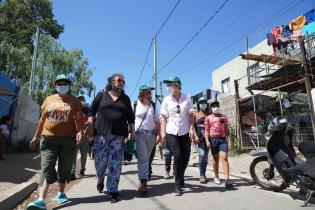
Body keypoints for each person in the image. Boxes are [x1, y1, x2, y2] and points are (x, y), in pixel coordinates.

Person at [27, 74, 83, 210]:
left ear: (69, 86)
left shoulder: (75, 101)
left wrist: (80, 131)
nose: (62, 85)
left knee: (64, 168)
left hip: (68, 139)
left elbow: (79, 118)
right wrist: (36, 136)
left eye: (65, 83)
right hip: (48, 139)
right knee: (47, 167)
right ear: (55, 86)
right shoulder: (48, 99)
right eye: (59, 83)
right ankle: (40, 200)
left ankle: (61, 193)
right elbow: (41, 120)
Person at [87, 73, 135, 202]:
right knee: (100, 161)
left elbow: (131, 117)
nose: (121, 82)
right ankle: (100, 178)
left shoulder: (126, 99)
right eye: (119, 80)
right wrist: (90, 125)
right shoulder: (102, 94)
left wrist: (132, 132)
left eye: (123, 81)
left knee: (115, 163)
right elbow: (91, 111)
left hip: (118, 135)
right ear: (111, 82)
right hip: (101, 134)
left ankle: (113, 189)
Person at [160, 76, 196, 196]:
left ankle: (180, 174)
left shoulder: (187, 97)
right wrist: (162, 132)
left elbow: (191, 114)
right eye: (167, 85)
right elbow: (163, 117)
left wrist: (192, 128)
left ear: (177, 85)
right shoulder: (166, 100)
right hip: (171, 131)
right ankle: (178, 185)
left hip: (185, 131)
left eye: (169, 84)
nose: (167, 87)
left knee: (186, 156)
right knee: (178, 155)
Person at [134, 84, 160, 194]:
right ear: (142, 93)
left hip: (151, 135)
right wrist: (130, 133)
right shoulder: (135, 104)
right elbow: (130, 120)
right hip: (139, 135)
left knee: (147, 157)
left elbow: (157, 121)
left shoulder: (153, 105)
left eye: (150, 92)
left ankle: (142, 177)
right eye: (148, 92)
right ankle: (143, 182)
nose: (150, 94)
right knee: (143, 158)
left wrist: (158, 134)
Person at [204, 101, 233, 188]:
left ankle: (227, 179)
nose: (216, 107)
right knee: (215, 160)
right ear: (211, 109)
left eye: (217, 105)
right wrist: (207, 141)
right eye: (214, 106)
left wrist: (229, 141)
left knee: (224, 158)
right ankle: (216, 176)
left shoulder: (223, 117)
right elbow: (206, 131)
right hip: (213, 140)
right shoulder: (208, 118)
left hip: (223, 139)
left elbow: (227, 130)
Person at [70, 96, 90, 179]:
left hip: (84, 135)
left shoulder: (87, 110)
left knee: (84, 154)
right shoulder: (73, 108)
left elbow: (90, 120)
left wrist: (86, 125)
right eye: (79, 99)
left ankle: (82, 170)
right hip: (74, 134)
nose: (81, 101)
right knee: (73, 154)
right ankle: (72, 172)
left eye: (82, 99)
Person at [193, 97, 210, 184]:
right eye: (201, 102)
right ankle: (201, 175)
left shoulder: (209, 114)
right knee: (202, 155)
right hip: (198, 139)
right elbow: (192, 126)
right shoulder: (195, 115)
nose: (203, 104)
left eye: (205, 102)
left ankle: (203, 174)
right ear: (199, 104)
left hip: (207, 139)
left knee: (205, 158)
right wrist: (195, 136)